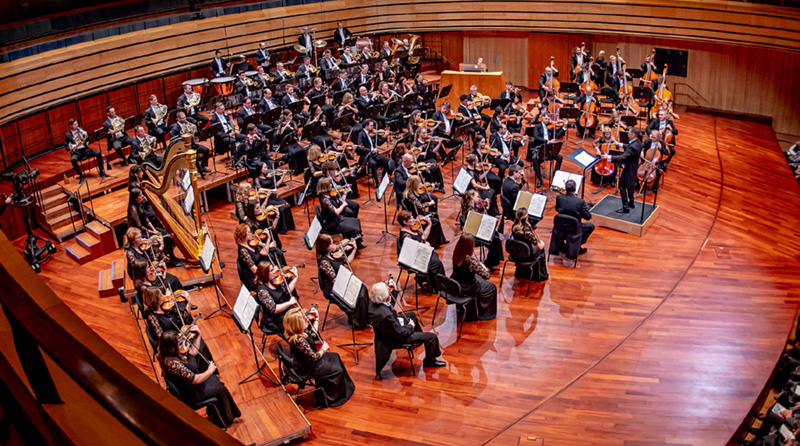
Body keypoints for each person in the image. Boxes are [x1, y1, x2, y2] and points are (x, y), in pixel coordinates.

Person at [159, 329, 241, 427]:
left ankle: (215, 414)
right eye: (179, 342)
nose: (181, 343)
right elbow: (196, 380)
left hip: (192, 386)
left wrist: (198, 335)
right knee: (220, 388)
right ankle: (225, 420)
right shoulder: (173, 364)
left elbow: (193, 352)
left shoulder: (175, 353)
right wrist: (209, 370)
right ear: (171, 347)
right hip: (192, 393)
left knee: (216, 382)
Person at [369, 281, 445, 375]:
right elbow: (400, 333)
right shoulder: (386, 316)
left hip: (389, 329)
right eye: (388, 291)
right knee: (432, 337)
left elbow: (388, 305)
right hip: (394, 337)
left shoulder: (373, 302)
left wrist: (393, 290)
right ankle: (430, 360)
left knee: (411, 314)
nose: (389, 291)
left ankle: (417, 341)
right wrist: (410, 326)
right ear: (384, 296)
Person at [284, 308, 355, 407]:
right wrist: (323, 349)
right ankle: (333, 398)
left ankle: (338, 389)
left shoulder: (297, 333)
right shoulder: (299, 340)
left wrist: (317, 318)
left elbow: (312, 334)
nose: (306, 320)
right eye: (303, 320)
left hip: (309, 361)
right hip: (310, 367)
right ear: (297, 324)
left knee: (336, 356)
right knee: (338, 370)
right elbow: (314, 357)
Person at [450, 234, 497, 321]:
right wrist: (482, 266)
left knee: (477, 277)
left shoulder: (456, 254)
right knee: (492, 287)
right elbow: (487, 276)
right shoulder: (471, 261)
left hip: (458, 285)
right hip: (469, 288)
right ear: (470, 246)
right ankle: (484, 314)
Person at [598, 127, 644, 213]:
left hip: (628, 169)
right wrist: (619, 144)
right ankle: (631, 202)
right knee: (630, 186)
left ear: (633, 135)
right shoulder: (638, 142)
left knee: (622, 187)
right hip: (633, 168)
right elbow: (629, 146)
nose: (627, 134)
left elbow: (623, 157)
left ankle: (625, 207)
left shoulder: (633, 147)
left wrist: (608, 157)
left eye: (629, 133)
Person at [396, 210, 446, 287]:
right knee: (436, 263)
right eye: (411, 219)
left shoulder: (411, 228)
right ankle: (434, 284)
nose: (414, 219)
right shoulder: (406, 236)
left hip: (419, 252)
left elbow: (423, 237)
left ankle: (436, 282)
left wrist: (429, 224)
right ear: (405, 222)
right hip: (413, 258)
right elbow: (414, 250)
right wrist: (425, 246)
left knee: (435, 258)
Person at [458, 189, 503, 268]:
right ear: (472, 197)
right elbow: (481, 220)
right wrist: (486, 209)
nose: (479, 198)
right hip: (474, 234)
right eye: (477, 196)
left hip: (474, 230)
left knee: (495, 235)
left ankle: (495, 260)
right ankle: (489, 263)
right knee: (495, 241)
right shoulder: (471, 211)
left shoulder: (469, 206)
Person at [253, 261, 298, 334]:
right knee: (298, 327)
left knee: (302, 320)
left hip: (285, 311)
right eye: (271, 270)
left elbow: (287, 291)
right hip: (275, 319)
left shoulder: (274, 280)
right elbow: (274, 309)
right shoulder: (262, 290)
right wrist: (289, 303)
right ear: (265, 273)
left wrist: (295, 278)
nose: (274, 272)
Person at [235, 223, 283, 292]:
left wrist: (268, 239)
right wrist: (269, 272)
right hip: (254, 277)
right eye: (249, 232)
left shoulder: (250, 242)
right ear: (243, 235)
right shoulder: (243, 251)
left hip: (262, 268)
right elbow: (254, 270)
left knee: (279, 265)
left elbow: (264, 252)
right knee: (275, 280)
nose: (251, 233)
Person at [402, 177, 447, 249]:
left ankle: (441, 240)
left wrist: (429, 192)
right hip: (416, 216)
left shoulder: (413, 191)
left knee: (435, 215)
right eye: (418, 183)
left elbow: (420, 198)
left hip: (420, 212)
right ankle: (434, 244)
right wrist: (429, 203)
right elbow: (420, 206)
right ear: (414, 184)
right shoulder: (410, 195)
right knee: (435, 222)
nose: (420, 184)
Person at [317, 178, 366, 244]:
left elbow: (340, 202)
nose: (331, 185)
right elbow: (336, 212)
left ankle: (352, 242)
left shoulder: (329, 195)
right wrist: (343, 205)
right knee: (355, 229)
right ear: (325, 187)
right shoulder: (324, 200)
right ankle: (354, 244)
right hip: (332, 224)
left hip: (337, 219)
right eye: (330, 184)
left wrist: (345, 192)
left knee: (356, 221)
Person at [255, 162, 295, 233]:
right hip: (266, 199)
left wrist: (283, 176)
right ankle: (281, 229)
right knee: (281, 209)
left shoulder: (269, 176)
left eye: (267, 167)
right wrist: (271, 191)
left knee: (287, 205)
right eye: (265, 167)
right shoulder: (257, 179)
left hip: (273, 196)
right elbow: (260, 189)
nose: (267, 169)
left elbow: (276, 185)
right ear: (260, 170)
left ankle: (289, 226)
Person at [555, 179, 594, 251]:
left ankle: (563, 246)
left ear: (565, 188)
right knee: (591, 226)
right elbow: (588, 217)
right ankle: (577, 245)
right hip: (574, 228)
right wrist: (584, 209)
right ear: (575, 189)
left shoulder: (559, 198)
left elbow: (557, 209)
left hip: (560, 227)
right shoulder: (580, 202)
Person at [511, 208, 549, 281]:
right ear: (526, 218)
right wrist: (542, 242)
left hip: (517, 253)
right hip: (527, 255)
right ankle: (541, 275)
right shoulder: (527, 232)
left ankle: (521, 273)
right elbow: (540, 246)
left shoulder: (514, 227)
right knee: (541, 250)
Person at [169, 111, 210, 177]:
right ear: (178, 119)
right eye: (182, 118)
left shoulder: (188, 124)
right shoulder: (175, 128)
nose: (184, 119)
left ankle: (203, 167)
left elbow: (196, 135)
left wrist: (195, 129)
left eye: (185, 117)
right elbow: (172, 140)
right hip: (183, 147)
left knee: (206, 150)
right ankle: (201, 172)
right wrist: (182, 135)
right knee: (194, 155)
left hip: (191, 144)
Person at [530, 113, 565, 188]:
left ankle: (555, 176)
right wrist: (547, 141)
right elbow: (536, 137)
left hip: (550, 148)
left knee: (560, 158)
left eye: (549, 119)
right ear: (542, 118)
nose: (547, 121)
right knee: (534, 158)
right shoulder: (537, 126)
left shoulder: (551, 126)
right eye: (546, 119)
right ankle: (539, 178)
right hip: (540, 147)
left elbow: (557, 135)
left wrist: (564, 127)